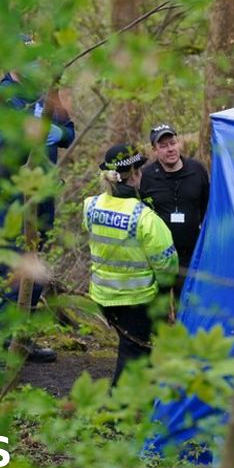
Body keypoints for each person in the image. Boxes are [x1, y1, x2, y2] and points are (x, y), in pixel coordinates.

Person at [0, 54, 75, 363]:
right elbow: (1, 150)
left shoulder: (45, 91)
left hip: (44, 196)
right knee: (12, 268)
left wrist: (56, 132)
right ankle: (0, 341)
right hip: (13, 199)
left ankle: (20, 337)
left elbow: (70, 133)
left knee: (36, 269)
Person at [84, 144, 179, 385]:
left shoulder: (91, 206)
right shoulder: (145, 218)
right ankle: (119, 409)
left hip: (102, 296)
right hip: (136, 300)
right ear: (135, 174)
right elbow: (167, 267)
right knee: (134, 354)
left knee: (131, 348)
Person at [140, 123, 210, 294]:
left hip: (191, 254)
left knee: (186, 305)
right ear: (154, 150)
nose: (170, 149)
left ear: (178, 143)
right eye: (163, 146)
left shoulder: (197, 169)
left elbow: (208, 209)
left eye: (172, 143)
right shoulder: (147, 176)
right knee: (160, 309)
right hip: (160, 257)